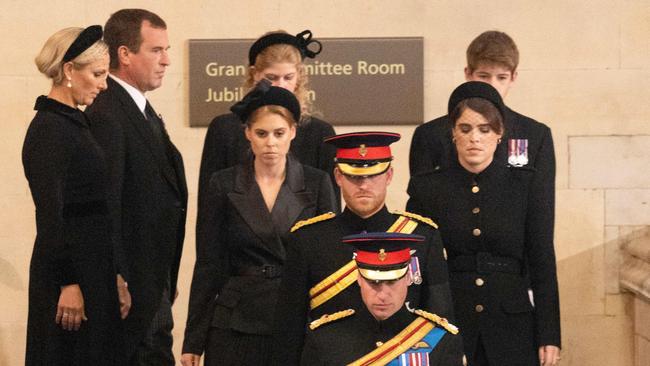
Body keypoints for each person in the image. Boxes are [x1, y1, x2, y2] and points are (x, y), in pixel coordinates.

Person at [181, 83, 337, 366]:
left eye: (279, 133)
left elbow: (328, 260)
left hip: (296, 318)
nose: (270, 143)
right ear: (247, 134)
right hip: (235, 323)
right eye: (261, 134)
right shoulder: (224, 183)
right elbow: (208, 263)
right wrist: (193, 339)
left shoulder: (316, 184)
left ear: (292, 132)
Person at [407, 81, 561, 366]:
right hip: (451, 319)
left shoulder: (523, 187)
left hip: (512, 323)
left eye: (484, 129)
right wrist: (412, 328)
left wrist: (549, 333)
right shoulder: (428, 189)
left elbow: (542, 258)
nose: (474, 138)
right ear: (453, 133)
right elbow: (415, 262)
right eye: (465, 129)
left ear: (499, 134)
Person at [272, 132, 457, 365]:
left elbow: (439, 322)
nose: (364, 185)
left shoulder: (422, 235)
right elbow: (288, 330)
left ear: (389, 175)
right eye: (354, 177)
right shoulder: (309, 239)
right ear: (338, 176)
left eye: (373, 175)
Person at [85, 9, 187, 365]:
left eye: (167, 50)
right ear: (125, 54)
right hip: (131, 287)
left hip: (152, 280)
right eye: (156, 50)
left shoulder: (139, 109)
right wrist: (115, 274)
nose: (167, 61)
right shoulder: (107, 111)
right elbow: (105, 203)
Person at [22, 25, 123, 365]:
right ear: (68, 70)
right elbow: (50, 213)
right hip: (69, 275)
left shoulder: (72, 123)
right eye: (97, 74)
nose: (103, 84)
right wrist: (67, 282)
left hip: (91, 269)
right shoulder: (49, 129)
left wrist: (113, 274)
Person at [409, 31, 555, 229]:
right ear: (468, 74)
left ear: (513, 77)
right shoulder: (430, 135)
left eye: (501, 77)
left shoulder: (534, 134)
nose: (493, 86)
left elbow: (542, 217)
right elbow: (422, 211)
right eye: (484, 76)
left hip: (509, 250)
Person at [198, 29, 338, 212]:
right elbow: (208, 208)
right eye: (271, 78)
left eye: (288, 77)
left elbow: (330, 214)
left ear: (299, 77)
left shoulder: (320, 134)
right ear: (255, 74)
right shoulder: (224, 129)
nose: (280, 85)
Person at [301, 232, 462, 366]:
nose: (383, 295)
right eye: (373, 283)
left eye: (392, 282)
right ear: (359, 279)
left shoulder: (440, 339)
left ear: (408, 278)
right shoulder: (324, 338)